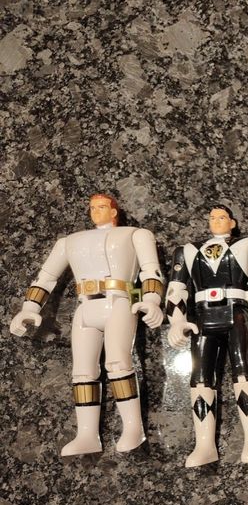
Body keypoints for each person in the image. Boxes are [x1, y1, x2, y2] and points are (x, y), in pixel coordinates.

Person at [10, 193, 164, 455]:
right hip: (85, 306)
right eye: (92, 207)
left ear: (114, 211)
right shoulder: (69, 242)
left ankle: (133, 427)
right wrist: (29, 307)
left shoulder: (135, 234)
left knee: (118, 363)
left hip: (120, 301)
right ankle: (86, 434)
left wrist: (151, 300)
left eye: (102, 206)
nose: (96, 211)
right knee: (82, 371)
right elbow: (46, 277)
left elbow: (151, 271)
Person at [165, 204, 248, 466]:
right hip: (202, 315)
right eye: (212, 217)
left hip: (237, 311)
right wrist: (177, 320)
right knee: (200, 378)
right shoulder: (187, 250)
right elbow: (176, 288)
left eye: (222, 217)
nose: (216, 221)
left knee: (244, 371)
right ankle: (204, 445)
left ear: (233, 222)